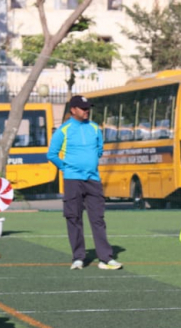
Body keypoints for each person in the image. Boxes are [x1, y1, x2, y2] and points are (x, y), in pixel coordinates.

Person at [47, 95, 122, 270]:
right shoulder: (64, 130)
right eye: (83, 108)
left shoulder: (95, 128)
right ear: (73, 110)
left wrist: (89, 164)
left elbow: (99, 150)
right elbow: (52, 154)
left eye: (88, 108)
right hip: (72, 180)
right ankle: (78, 258)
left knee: (98, 219)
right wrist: (66, 168)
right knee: (74, 218)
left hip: (93, 180)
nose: (87, 111)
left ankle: (106, 258)